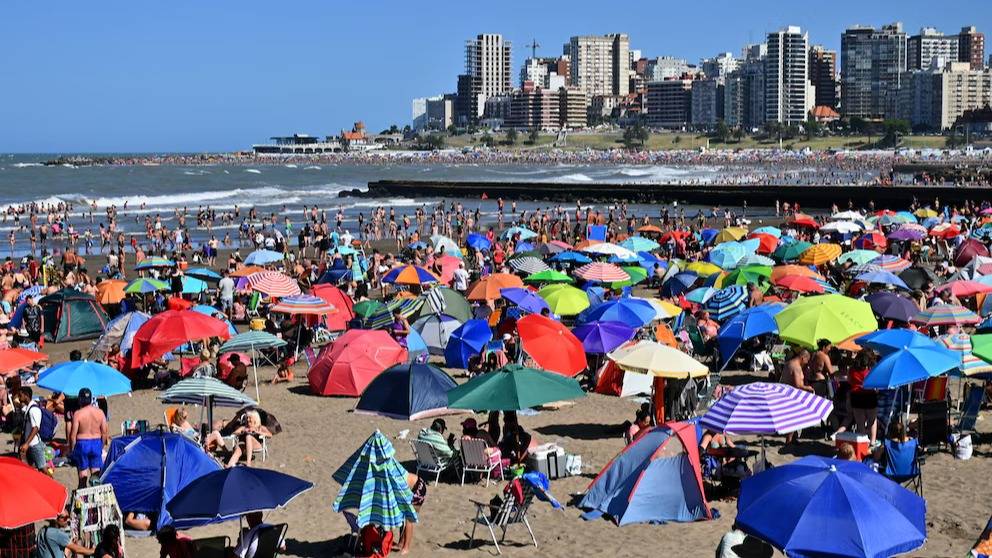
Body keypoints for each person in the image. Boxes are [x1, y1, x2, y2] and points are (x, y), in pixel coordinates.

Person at [69, 387, 109, 488]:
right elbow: (104, 433)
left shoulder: (78, 414)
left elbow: (73, 435)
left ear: (80, 399)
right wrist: (101, 446)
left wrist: (72, 450)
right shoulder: (100, 412)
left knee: (83, 474)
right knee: (95, 475)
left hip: (82, 443)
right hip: (96, 443)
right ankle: (96, 500)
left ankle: (82, 500)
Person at [15, 387, 45, 471]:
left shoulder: (33, 409)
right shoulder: (28, 407)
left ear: (26, 395)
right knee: (27, 468)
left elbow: (36, 428)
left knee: (43, 468)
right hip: (28, 444)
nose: (19, 397)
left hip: (34, 445)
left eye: (20, 395)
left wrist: (26, 444)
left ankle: (51, 482)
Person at [397, 472, 426, 555]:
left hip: (418, 487)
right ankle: (401, 542)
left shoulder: (393, 478)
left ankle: (406, 547)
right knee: (401, 514)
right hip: (410, 488)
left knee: (409, 519)